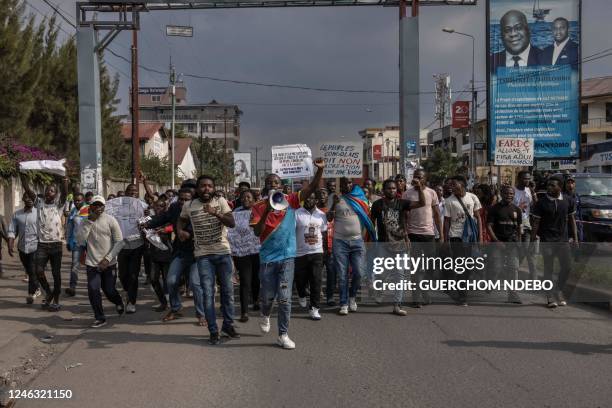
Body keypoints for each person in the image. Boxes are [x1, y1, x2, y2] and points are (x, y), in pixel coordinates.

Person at [250, 159, 325, 349]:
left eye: (276, 183)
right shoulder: (258, 206)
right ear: (265, 186)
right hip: (267, 259)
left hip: (287, 258)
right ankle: (265, 313)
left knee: (284, 297)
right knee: (267, 297)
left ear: (282, 186)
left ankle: (283, 334)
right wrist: (267, 210)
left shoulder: (291, 200)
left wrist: (320, 170)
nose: (272, 185)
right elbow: (257, 232)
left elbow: (312, 188)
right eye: (269, 183)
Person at [177, 175, 238, 345]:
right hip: (203, 256)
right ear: (197, 188)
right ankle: (213, 331)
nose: (206, 189)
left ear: (213, 188)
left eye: (210, 186)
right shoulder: (189, 205)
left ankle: (228, 325)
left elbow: (232, 223)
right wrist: (180, 231)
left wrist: (216, 213)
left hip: (223, 253)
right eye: (203, 186)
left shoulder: (220, 201)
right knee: (208, 294)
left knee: (228, 293)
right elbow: (181, 219)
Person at [371, 179, 425, 315]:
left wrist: (419, 189)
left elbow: (422, 203)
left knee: (399, 274)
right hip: (383, 244)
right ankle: (379, 289)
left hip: (400, 243)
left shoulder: (402, 203)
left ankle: (397, 304)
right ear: (383, 190)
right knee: (382, 273)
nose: (392, 191)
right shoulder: (377, 205)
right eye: (389, 188)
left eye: (394, 188)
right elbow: (371, 224)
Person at [145, 182, 197, 322]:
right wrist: (148, 223)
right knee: (171, 281)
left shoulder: (198, 210)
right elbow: (162, 218)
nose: (183, 202)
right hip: (179, 252)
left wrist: (189, 234)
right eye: (181, 199)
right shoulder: (174, 208)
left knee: (195, 284)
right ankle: (175, 308)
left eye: (187, 199)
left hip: (196, 253)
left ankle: (201, 313)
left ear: (193, 200)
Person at [327, 177, 376, 316]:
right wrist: (333, 205)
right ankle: (343, 303)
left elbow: (366, 219)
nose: (347, 185)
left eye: (349, 182)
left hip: (357, 241)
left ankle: (352, 297)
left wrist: (365, 238)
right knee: (342, 275)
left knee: (359, 272)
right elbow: (329, 218)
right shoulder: (334, 197)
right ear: (340, 185)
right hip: (340, 241)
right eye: (344, 183)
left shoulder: (360, 197)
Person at [20, 173, 69, 312]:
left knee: (56, 274)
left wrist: (65, 180)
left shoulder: (59, 205)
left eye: (52, 190)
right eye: (47, 190)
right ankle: (48, 292)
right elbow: (28, 189)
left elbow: (65, 193)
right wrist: (22, 174)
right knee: (38, 271)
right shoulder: (39, 203)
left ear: (55, 194)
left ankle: (56, 300)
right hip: (42, 244)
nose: (49, 192)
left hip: (56, 245)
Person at [76, 195, 126, 328]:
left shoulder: (111, 220)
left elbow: (119, 242)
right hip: (92, 263)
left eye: (101, 205)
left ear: (104, 207)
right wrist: (89, 222)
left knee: (109, 290)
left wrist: (108, 259)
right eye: (95, 205)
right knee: (93, 290)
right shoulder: (85, 221)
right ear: (90, 207)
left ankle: (119, 301)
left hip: (109, 263)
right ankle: (100, 317)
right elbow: (80, 240)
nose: (98, 208)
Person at [531, 175, 578, 308]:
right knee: (548, 268)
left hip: (563, 240)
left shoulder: (568, 200)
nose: (549, 187)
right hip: (547, 240)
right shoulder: (541, 203)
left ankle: (558, 289)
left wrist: (575, 237)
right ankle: (550, 295)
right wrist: (533, 238)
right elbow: (536, 222)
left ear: (560, 187)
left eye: (552, 185)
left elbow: (572, 220)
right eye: (548, 185)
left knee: (567, 266)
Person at [403, 169, 443, 306]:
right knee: (416, 268)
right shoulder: (407, 193)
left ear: (425, 179)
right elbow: (403, 215)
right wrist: (405, 235)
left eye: (420, 177)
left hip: (429, 234)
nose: (417, 179)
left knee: (430, 267)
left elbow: (437, 215)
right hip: (413, 234)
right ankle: (416, 297)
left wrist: (441, 235)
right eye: (415, 177)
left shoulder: (432, 193)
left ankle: (424, 291)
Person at [443, 175, 482, 306]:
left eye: (454, 184)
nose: (451, 187)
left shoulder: (472, 197)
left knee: (468, 266)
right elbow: (447, 221)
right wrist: (446, 239)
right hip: (456, 237)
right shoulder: (449, 201)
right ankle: (462, 296)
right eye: (451, 185)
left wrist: (480, 238)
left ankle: (462, 286)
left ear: (462, 185)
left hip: (470, 237)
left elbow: (478, 218)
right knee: (460, 266)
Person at [228, 190, 261, 322]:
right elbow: (230, 232)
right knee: (245, 281)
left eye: (248, 197)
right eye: (243, 197)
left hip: (258, 250)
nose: (245, 199)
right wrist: (233, 251)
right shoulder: (235, 213)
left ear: (254, 199)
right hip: (242, 252)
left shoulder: (260, 210)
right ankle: (244, 312)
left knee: (256, 279)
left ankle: (256, 300)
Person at [116, 181, 148, 313]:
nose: (132, 193)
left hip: (137, 244)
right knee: (123, 275)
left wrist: (146, 219)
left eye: (135, 192)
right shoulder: (118, 207)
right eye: (130, 191)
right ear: (126, 193)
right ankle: (126, 290)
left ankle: (131, 302)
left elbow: (149, 219)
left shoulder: (142, 206)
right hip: (122, 245)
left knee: (133, 275)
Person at [487, 185, 523, 304]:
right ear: (502, 194)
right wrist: (496, 241)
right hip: (497, 243)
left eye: (511, 194)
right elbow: (489, 226)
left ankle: (513, 294)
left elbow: (518, 227)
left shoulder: (517, 210)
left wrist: (519, 241)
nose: (509, 196)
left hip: (512, 243)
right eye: (507, 193)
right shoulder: (494, 209)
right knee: (496, 267)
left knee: (514, 268)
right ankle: (490, 282)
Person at [294, 192, 328, 320]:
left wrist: (324, 251)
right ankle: (301, 294)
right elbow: (292, 233)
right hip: (300, 253)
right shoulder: (297, 213)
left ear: (316, 200)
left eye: (312, 198)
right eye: (307, 198)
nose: (308, 200)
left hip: (317, 252)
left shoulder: (321, 215)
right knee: (300, 279)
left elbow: (323, 233)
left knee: (316, 280)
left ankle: (314, 308)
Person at [7, 191, 41, 304]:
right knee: (29, 270)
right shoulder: (17, 214)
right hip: (22, 248)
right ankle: (37, 288)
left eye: (32, 197)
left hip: (35, 246)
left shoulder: (39, 213)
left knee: (31, 270)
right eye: (27, 197)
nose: (29, 199)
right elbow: (12, 230)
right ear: (23, 199)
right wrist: (10, 243)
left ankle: (31, 294)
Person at [148, 197, 173, 312]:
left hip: (167, 253)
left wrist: (165, 229)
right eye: (156, 206)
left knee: (168, 280)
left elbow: (174, 226)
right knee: (153, 279)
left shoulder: (168, 218)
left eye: (161, 206)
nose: (158, 208)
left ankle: (171, 302)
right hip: (154, 253)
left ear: (165, 207)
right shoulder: (151, 219)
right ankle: (163, 302)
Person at [513, 171, 537, 280]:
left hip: (526, 225)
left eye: (528, 178)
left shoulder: (529, 191)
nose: (527, 181)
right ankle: (513, 269)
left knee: (527, 250)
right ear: (518, 179)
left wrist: (533, 191)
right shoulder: (512, 191)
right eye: (524, 179)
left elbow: (536, 205)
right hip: (514, 226)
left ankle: (534, 279)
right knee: (518, 249)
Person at [316, 188, 336, 306]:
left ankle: (330, 297)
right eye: (319, 194)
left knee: (331, 273)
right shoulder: (313, 211)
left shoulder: (333, 210)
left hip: (331, 247)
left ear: (328, 196)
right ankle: (317, 293)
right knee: (317, 274)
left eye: (324, 194)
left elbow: (331, 217)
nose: (322, 196)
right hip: (317, 248)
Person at [65, 192, 86, 297]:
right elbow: (69, 227)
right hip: (77, 243)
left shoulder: (89, 210)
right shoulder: (73, 212)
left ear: (83, 200)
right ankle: (72, 287)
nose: (77, 202)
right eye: (76, 200)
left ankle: (96, 287)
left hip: (89, 243)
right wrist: (68, 241)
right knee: (74, 265)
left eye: (79, 200)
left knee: (93, 265)